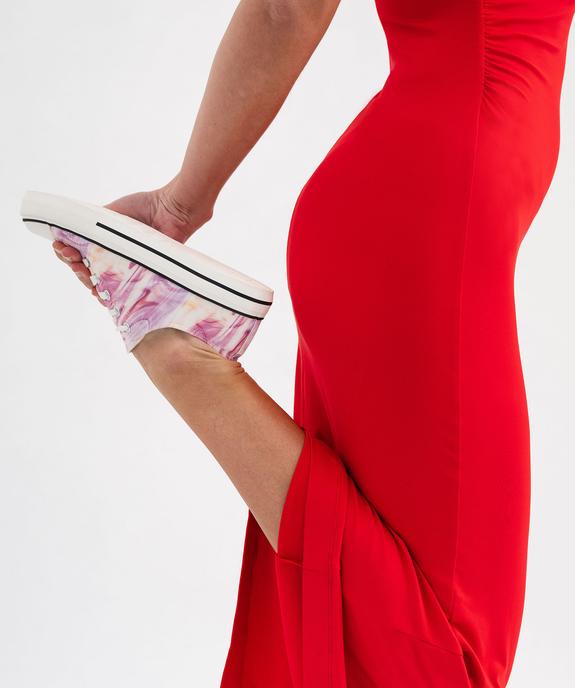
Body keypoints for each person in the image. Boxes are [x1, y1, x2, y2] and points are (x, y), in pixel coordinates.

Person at [51, 0, 575, 686]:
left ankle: (174, 338)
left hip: (431, 219)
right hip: (423, 225)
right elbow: (285, 9)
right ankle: (176, 348)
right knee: (458, 648)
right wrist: (177, 206)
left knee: (413, 589)